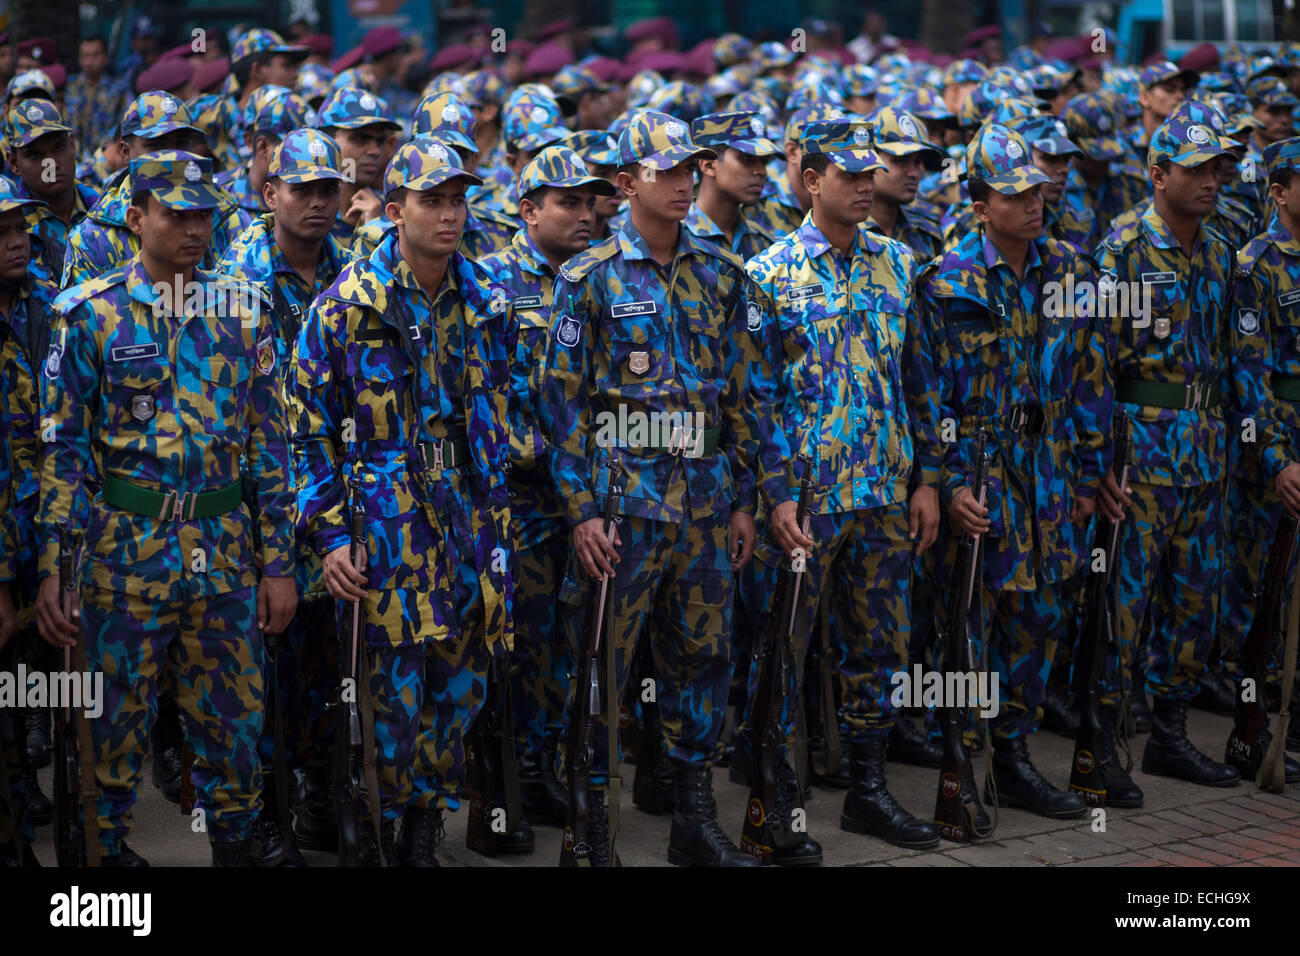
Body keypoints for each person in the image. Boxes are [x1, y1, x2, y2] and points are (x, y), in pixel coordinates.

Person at [35, 150, 297, 866]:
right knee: (110, 731)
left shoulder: (243, 310)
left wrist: (278, 562)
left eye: (204, 214)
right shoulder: (89, 316)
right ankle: (105, 866)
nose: (192, 228)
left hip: (224, 557)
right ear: (136, 215)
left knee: (236, 732)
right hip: (124, 557)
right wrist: (56, 567)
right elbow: (64, 453)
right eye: (175, 213)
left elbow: (269, 447)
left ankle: (236, 844)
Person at [540, 111, 765, 868]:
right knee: (601, 665)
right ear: (627, 182)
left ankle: (693, 820)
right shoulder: (591, 277)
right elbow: (561, 410)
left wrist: (744, 497)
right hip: (621, 509)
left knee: (702, 661)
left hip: (702, 505)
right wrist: (580, 513)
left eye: (689, 170)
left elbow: (745, 395)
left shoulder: (722, 272)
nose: (683, 183)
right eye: (666, 172)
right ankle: (591, 823)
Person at [294, 138, 511, 866]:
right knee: (389, 698)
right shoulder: (344, 309)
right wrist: (329, 538)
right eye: (432, 201)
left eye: (458, 201)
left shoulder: (486, 300)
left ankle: (426, 824)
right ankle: (378, 825)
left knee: (459, 688)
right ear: (395, 211)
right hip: (383, 530)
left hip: (470, 528)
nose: (449, 215)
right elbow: (304, 434)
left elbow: (504, 415)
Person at [738, 117, 943, 862]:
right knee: (784, 648)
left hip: (885, 493)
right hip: (805, 500)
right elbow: (753, 398)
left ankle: (867, 790)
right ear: (810, 179)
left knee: (879, 648)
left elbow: (918, 381)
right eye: (849, 176)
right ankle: (777, 797)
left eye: (870, 175)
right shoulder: (767, 274)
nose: (864, 188)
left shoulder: (898, 264)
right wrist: (776, 494)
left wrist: (929, 481)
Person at [918, 123, 1110, 819]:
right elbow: (928, 393)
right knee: (970, 625)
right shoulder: (947, 282)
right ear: (979, 203)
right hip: (981, 473)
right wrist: (946, 483)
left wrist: (1088, 475)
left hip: (1052, 478)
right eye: (1015, 193)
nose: (1034, 202)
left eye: (1038, 189)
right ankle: (961, 757)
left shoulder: (1073, 271)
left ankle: (1015, 753)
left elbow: (1090, 382)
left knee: (1041, 618)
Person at [218, 127, 356, 864]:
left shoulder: (354, 272)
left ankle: (318, 792)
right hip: (260, 501)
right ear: (269, 193)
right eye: (300, 188)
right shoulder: (232, 276)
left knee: (326, 667)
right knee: (256, 671)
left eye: (329, 188)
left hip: (330, 494)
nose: (317, 201)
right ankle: (263, 810)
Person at [1095, 112, 1244, 788]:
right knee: (1122, 603)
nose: (1213, 180)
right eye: (1198, 169)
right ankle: (1100, 742)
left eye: (1219, 169)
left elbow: (1227, 356)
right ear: (1158, 175)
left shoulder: (1220, 249)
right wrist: (1098, 459)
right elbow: (1091, 363)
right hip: (1139, 457)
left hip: (1204, 455)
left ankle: (1171, 733)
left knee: (1195, 602)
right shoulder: (1123, 248)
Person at [479, 144, 616, 833]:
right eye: (568, 202)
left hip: (591, 497)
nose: (585, 215)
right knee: (521, 642)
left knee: (575, 640)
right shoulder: (492, 282)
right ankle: (513, 778)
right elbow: (488, 394)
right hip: (524, 496)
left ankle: (555, 767)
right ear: (527, 209)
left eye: (592, 202)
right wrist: (551, 456)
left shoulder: (603, 277)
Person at [1215, 135, 1300, 781]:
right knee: (1261, 599)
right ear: (1277, 190)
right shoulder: (1255, 265)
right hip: (1276, 450)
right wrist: (1276, 458)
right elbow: (1248, 375)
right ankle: (1252, 727)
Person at [0, 177, 63, 865]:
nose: (17, 239)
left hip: (50, 521)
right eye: (0, 231)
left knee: (47, 669)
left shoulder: (52, 306)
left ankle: (37, 778)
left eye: (20, 225)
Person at [63, 90, 250, 290]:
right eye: (157, 146)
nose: (171, 156)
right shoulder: (93, 237)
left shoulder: (228, 217)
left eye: (182, 144)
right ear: (126, 152)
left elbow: (247, 307)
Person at [4, 99, 101, 284]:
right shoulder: (10, 225)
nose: (51, 164)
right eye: (35, 155)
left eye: (58, 147)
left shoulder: (106, 208)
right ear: (14, 163)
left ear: (72, 146)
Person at [685, 111, 779, 261]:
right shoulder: (675, 239)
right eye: (746, 158)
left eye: (764, 161)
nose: (761, 171)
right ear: (708, 166)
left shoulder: (764, 244)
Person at [312, 85, 399, 243]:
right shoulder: (310, 213)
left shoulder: (395, 213)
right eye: (360, 138)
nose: (375, 151)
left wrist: (377, 228)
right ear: (326, 141)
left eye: (379, 141)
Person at [864, 105, 945, 261]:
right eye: (900, 160)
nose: (914, 173)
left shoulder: (927, 234)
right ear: (868, 159)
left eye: (918, 162)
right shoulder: (844, 233)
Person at [64, 36, 127, 165]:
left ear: (105, 58)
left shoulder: (118, 89)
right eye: (85, 56)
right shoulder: (71, 86)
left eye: (95, 55)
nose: (89, 61)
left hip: (108, 156)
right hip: (75, 156)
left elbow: (123, 121)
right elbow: (68, 123)